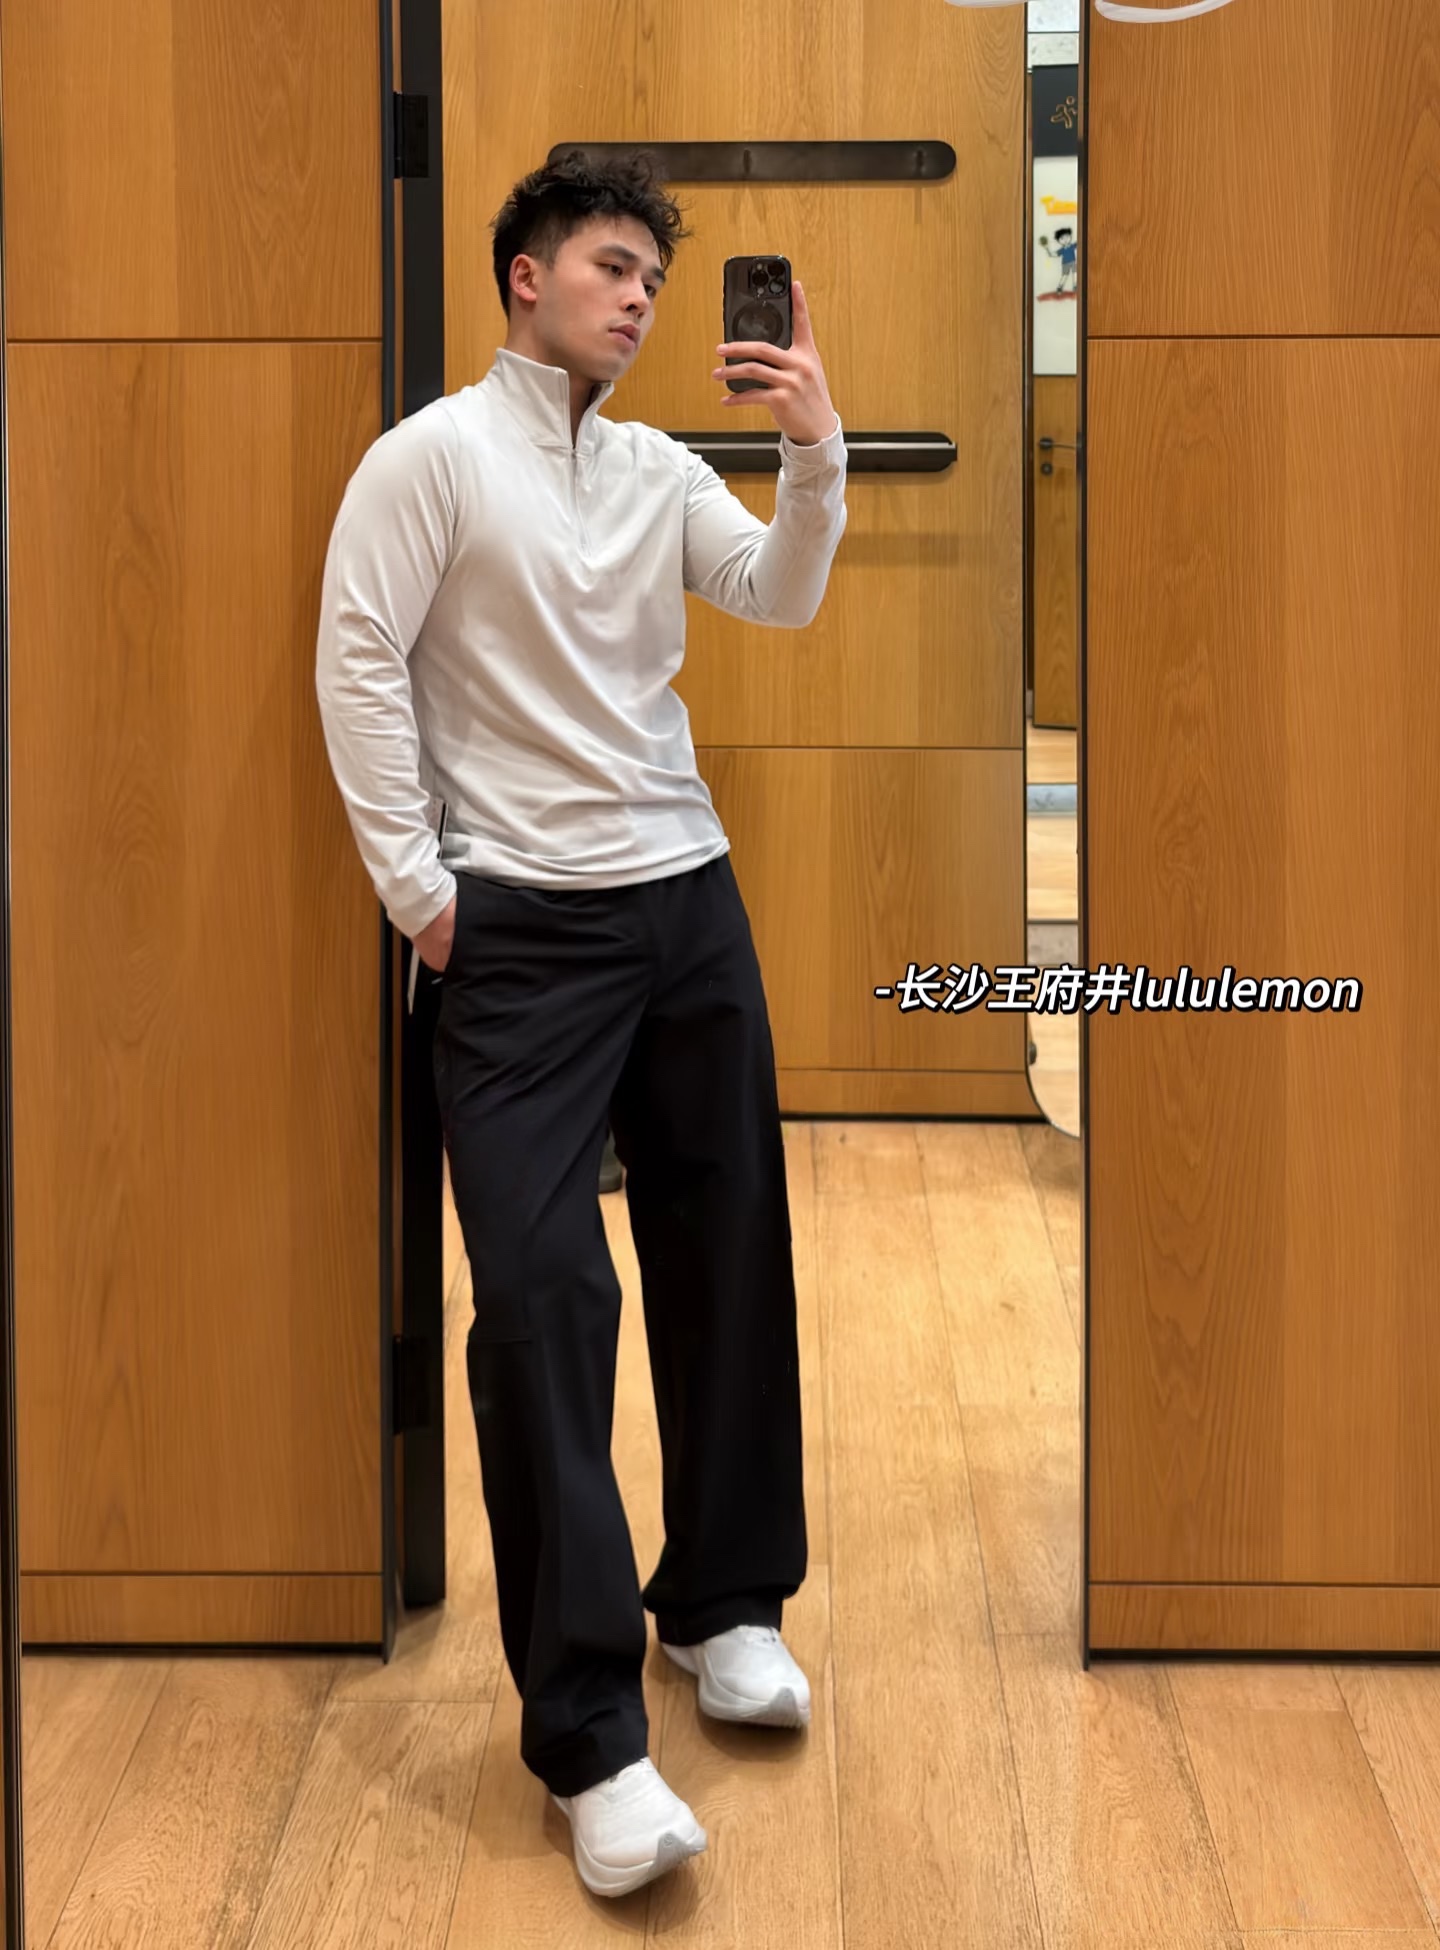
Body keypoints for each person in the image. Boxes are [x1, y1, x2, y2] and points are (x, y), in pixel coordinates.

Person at [315, 148, 848, 1900]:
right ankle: (592, 1738)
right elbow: (356, 655)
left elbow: (778, 591)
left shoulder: (654, 467)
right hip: (517, 932)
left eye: (653, 278)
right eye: (612, 265)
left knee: (728, 1247)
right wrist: (422, 892)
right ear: (523, 277)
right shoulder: (430, 458)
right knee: (544, 1297)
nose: (638, 298)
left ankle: (725, 1603)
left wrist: (815, 452)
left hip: (686, 900)